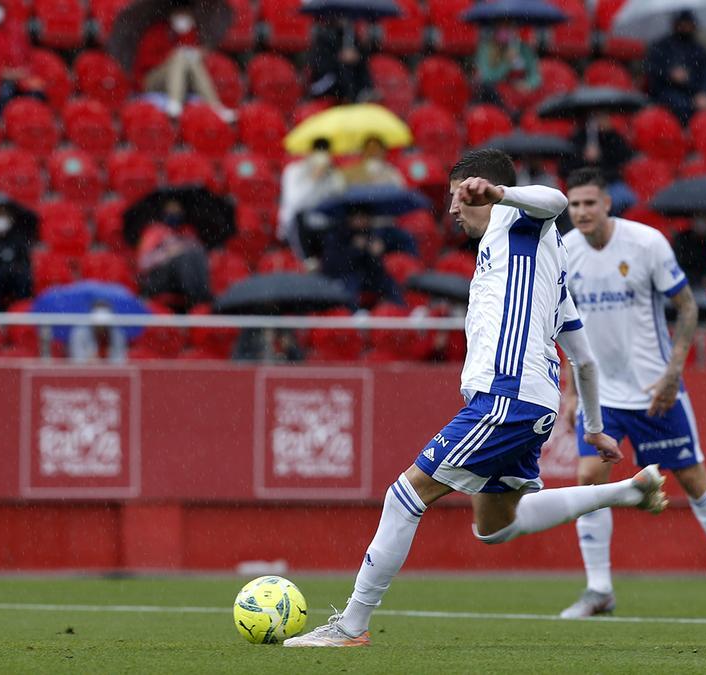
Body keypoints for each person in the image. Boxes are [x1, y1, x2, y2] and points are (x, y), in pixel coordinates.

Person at [284, 149, 668, 648]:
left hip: (506, 395)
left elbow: (552, 199)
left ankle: (351, 626)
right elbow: (586, 360)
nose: (452, 209)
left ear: (482, 189)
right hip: (533, 404)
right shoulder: (542, 270)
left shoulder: (519, 222)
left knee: (405, 496)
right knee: (494, 525)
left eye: (458, 196)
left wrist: (500, 194)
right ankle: (626, 491)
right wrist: (594, 429)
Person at [558, 168, 706, 619]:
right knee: (587, 478)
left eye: (589, 203)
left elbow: (685, 307)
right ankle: (599, 588)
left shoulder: (645, 244)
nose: (581, 212)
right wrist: (570, 391)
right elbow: (563, 323)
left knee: (692, 478)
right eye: (574, 205)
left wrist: (672, 373)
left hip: (652, 388)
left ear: (607, 203)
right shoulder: (564, 251)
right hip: (599, 393)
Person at [133, 4, 235, 121]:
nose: (184, 17)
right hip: (151, 79)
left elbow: (190, 53)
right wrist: (171, 56)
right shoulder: (155, 32)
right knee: (180, 57)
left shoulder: (188, 32)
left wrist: (193, 49)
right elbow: (147, 63)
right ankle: (175, 102)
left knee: (192, 60)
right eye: (181, 14)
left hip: (179, 79)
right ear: (172, 14)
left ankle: (215, 106)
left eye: (187, 14)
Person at [278, 138, 346, 266]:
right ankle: (307, 262)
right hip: (297, 227)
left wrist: (330, 175)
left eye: (325, 152)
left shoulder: (333, 174)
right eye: (318, 151)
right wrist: (314, 178)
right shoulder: (294, 171)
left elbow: (339, 197)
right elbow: (295, 203)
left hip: (325, 227)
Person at [320, 208, 406, 309]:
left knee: (389, 284)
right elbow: (332, 265)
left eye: (363, 216)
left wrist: (375, 255)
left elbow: (377, 269)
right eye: (356, 216)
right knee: (349, 288)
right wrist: (354, 250)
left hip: (369, 277)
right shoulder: (336, 235)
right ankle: (353, 315)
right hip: (345, 277)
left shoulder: (374, 234)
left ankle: (401, 312)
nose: (360, 220)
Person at [136, 200, 213, 310]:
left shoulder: (188, 232)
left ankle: (201, 298)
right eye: (171, 210)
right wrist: (167, 253)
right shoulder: (154, 232)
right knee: (183, 260)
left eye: (178, 211)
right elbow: (143, 263)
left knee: (195, 254)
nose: (174, 214)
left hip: (182, 282)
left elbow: (200, 256)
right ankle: (198, 298)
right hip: (159, 280)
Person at [644, 10, 706, 127]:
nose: (686, 27)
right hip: (666, 92)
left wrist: (704, 92)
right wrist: (669, 74)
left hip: (693, 92)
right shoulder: (662, 46)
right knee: (680, 106)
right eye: (683, 24)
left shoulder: (699, 50)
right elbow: (652, 69)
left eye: (689, 24)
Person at [557, 114, 637, 215]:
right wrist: (584, 158)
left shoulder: (613, 137)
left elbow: (624, 158)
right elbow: (565, 167)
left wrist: (602, 155)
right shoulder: (578, 139)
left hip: (610, 183)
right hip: (584, 184)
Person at [474, 22, 542, 115]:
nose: (506, 30)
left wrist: (527, 84)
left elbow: (535, 75)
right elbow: (487, 77)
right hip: (497, 98)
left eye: (509, 26)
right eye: (502, 26)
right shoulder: (485, 49)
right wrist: (507, 63)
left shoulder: (523, 48)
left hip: (521, 95)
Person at [308, 17, 376, 103]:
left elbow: (361, 57)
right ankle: (351, 96)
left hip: (344, 77)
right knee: (342, 70)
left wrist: (360, 53)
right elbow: (321, 64)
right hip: (326, 79)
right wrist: (340, 58)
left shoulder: (350, 36)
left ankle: (365, 91)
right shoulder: (323, 36)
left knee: (358, 68)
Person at [342, 137, 406, 187]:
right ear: (363, 152)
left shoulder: (392, 173)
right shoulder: (349, 173)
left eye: (376, 149)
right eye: (369, 149)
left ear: (383, 152)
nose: (372, 152)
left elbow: (400, 191)